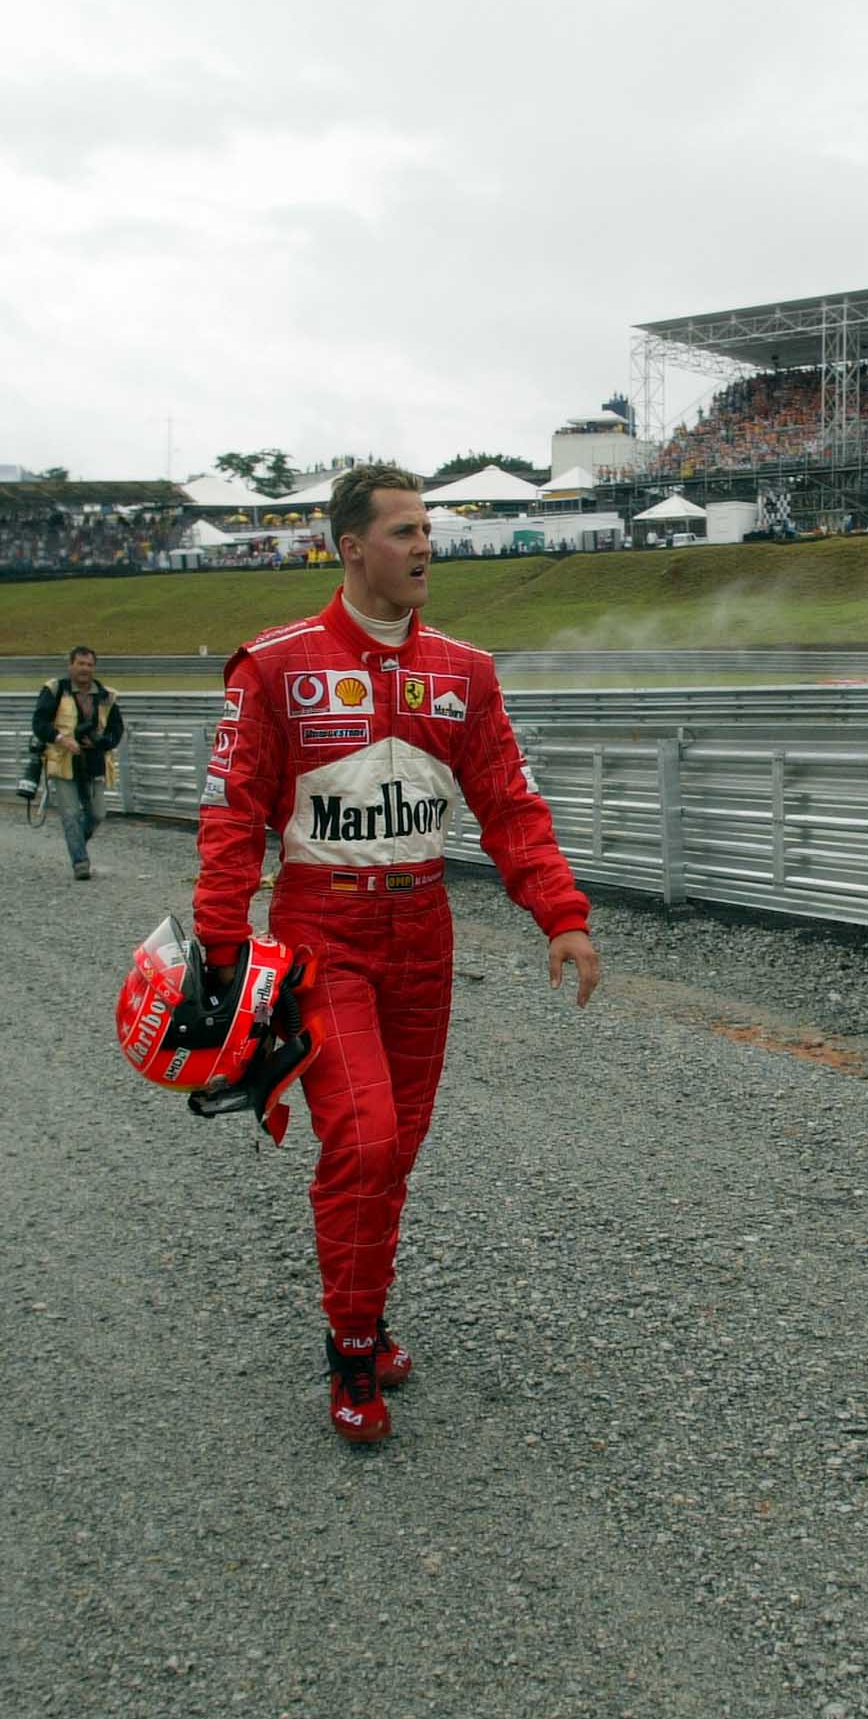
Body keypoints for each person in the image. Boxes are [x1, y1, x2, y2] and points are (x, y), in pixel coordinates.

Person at [194, 464, 602, 1444]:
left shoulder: (465, 671)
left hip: (423, 926)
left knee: (396, 1151)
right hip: (317, 928)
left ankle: (366, 1314)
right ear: (350, 548)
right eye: (405, 532)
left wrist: (561, 912)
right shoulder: (275, 665)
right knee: (364, 1137)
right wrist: (220, 948)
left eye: (428, 530)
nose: (425, 547)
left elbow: (510, 804)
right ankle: (350, 1344)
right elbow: (229, 816)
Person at [31, 646, 124, 879]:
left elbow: (116, 730)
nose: (85, 669)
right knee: (70, 813)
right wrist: (61, 739)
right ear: (70, 665)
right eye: (80, 664)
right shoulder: (55, 690)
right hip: (63, 762)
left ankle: (76, 844)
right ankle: (80, 863)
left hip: (94, 762)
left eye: (89, 665)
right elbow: (39, 723)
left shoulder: (107, 695)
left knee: (98, 813)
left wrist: (101, 743)